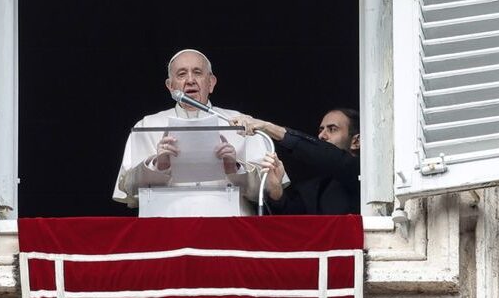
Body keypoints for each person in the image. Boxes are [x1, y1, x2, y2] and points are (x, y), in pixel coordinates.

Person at [112, 49, 270, 215]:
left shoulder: (240, 123)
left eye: (197, 72)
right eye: (181, 74)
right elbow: (129, 190)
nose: (190, 80)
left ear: (211, 82)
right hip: (166, 226)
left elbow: (267, 191)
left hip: (229, 229)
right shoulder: (147, 125)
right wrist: (158, 165)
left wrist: (234, 168)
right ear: (170, 86)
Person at [230, 109, 360, 214]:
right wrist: (276, 191)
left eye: (332, 129)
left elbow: (331, 157)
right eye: (321, 130)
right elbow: (293, 217)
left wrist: (268, 127)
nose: (321, 136)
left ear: (356, 141)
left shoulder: (363, 174)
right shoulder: (315, 186)